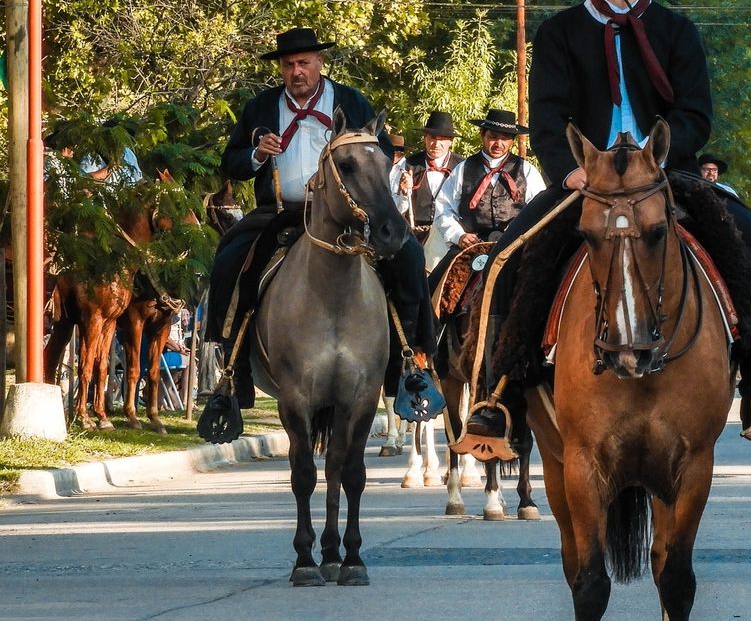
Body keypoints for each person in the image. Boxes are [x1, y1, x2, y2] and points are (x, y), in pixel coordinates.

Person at [461, 0, 751, 446]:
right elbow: (548, 116)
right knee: (507, 257)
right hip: (586, 181)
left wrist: (660, 158)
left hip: (666, 177)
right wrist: (567, 170)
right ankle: (499, 393)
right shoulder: (558, 35)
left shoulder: (678, 32)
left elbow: (696, 113)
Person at [206, 27, 438, 406]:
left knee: (408, 255)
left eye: (303, 63)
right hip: (281, 213)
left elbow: (377, 156)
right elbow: (231, 162)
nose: (296, 71)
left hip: (349, 215)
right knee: (230, 258)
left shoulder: (350, 101)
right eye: (288, 65)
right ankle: (233, 372)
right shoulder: (261, 108)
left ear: (319, 63)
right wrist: (257, 155)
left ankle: (409, 365)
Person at [430, 108, 545, 258]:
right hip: (470, 249)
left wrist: (521, 236)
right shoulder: (463, 169)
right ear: (482, 135)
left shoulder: (527, 170)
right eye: (493, 136)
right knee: (437, 280)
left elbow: (539, 211)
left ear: (512, 140)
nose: (499, 143)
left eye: (505, 138)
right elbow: (443, 208)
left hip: (515, 249)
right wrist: (459, 236)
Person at [392, 111, 459, 245]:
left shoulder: (461, 167)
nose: (436, 144)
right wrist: (403, 193)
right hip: (414, 237)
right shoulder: (406, 164)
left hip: (449, 239)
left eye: (442, 139)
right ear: (425, 138)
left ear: (450, 141)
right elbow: (393, 207)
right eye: (432, 137)